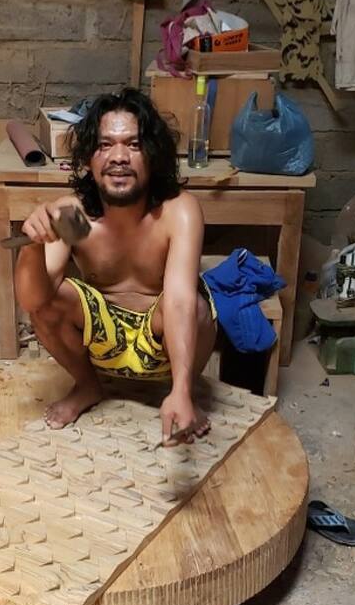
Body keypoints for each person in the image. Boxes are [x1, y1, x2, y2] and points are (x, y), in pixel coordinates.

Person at [14, 88, 217, 446]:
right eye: (105, 145)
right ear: (90, 162)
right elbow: (34, 301)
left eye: (133, 145)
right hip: (101, 344)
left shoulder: (175, 211)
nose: (119, 157)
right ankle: (88, 386)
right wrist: (33, 244)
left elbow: (181, 301)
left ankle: (182, 395)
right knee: (49, 301)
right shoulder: (76, 216)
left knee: (198, 308)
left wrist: (183, 389)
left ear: (152, 156)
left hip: (163, 341)